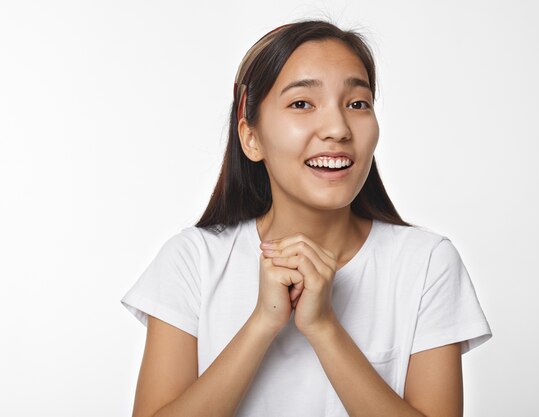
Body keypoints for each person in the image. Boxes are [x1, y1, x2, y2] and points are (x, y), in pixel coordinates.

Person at [121, 20, 492, 417]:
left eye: (357, 104)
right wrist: (263, 323)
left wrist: (324, 328)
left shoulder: (426, 263)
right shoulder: (193, 260)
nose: (337, 128)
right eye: (302, 103)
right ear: (252, 137)